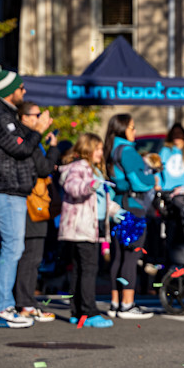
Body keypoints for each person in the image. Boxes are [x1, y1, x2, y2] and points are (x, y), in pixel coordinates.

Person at [0, 65, 52, 328]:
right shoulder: (0, 115)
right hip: (6, 189)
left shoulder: (5, 114)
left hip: (9, 189)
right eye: (21, 88)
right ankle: (3, 307)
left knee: (1, 247)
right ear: (10, 91)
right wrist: (38, 130)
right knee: (13, 247)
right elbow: (19, 149)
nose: (24, 91)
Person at [59, 133, 124, 328]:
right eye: (97, 149)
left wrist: (117, 211)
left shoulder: (95, 169)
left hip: (93, 226)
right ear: (87, 149)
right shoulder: (79, 167)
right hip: (82, 227)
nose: (100, 153)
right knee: (88, 269)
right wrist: (89, 185)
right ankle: (89, 312)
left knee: (81, 269)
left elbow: (101, 201)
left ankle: (78, 311)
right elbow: (72, 187)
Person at [103, 113, 155, 320]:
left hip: (117, 208)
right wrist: (152, 176)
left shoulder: (110, 149)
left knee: (118, 256)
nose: (135, 131)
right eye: (132, 127)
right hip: (132, 207)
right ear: (123, 129)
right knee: (131, 256)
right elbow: (139, 183)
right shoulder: (128, 151)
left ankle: (115, 302)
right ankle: (127, 304)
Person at [13, 102, 61, 323]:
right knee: (31, 257)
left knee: (31, 256)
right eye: (36, 115)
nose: (40, 119)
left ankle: (26, 300)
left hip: (31, 203)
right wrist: (54, 149)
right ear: (24, 117)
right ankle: (25, 302)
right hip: (33, 204)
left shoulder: (29, 139)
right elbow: (43, 168)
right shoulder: (29, 138)